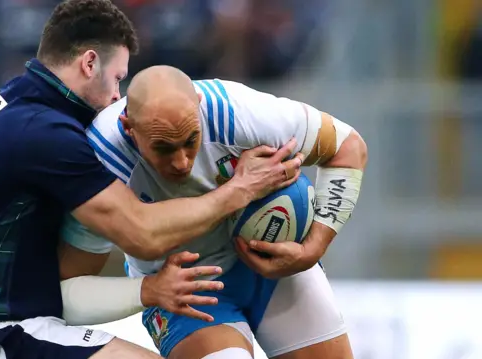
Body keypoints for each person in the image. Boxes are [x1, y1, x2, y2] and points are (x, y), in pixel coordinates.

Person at [0, 1, 303, 358]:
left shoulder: (19, 101)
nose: (116, 97)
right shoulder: (45, 133)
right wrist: (239, 190)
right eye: (118, 78)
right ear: (90, 63)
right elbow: (143, 233)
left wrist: (148, 289)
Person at [63, 65, 368, 359]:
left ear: (198, 106)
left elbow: (348, 147)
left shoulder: (236, 112)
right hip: (182, 289)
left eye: (190, 141)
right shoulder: (100, 161)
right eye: (163, 148)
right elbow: (68, 286)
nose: (181, 162)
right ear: (129, 128)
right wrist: (239, 191)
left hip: (277, 270)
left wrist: (313, 247)